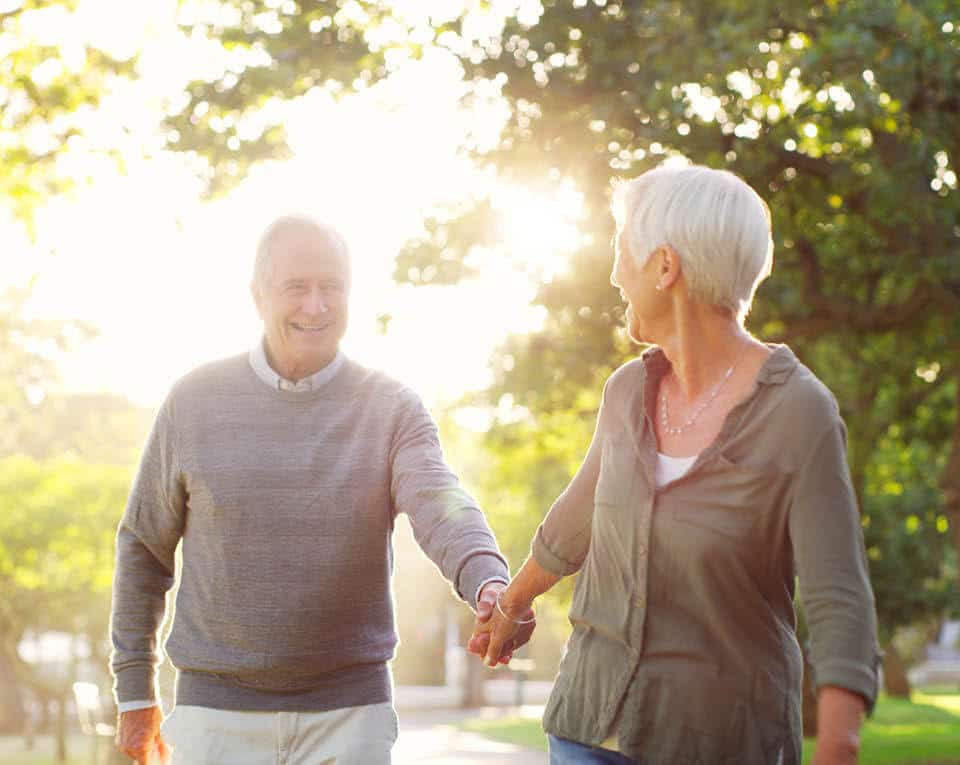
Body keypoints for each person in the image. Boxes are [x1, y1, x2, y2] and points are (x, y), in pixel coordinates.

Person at [469, 165, 880, 764]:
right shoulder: (628, 390)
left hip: (716, 738)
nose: (613, 274)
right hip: (587, 727)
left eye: (621, 251)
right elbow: (575, 518)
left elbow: (838, 596)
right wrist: (511, 604)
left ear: (665, 266)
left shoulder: (798, 412)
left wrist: (838, 747)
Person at [110, 215, 532, 765]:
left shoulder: (391, 407)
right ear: (258, 295)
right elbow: (144, 547)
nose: (316, 306)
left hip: (349, 718)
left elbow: (440, 501)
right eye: (297, 287)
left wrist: (488, 581)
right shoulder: (193, 402)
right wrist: (136, 691)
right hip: (217, 717)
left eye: (332, 287)